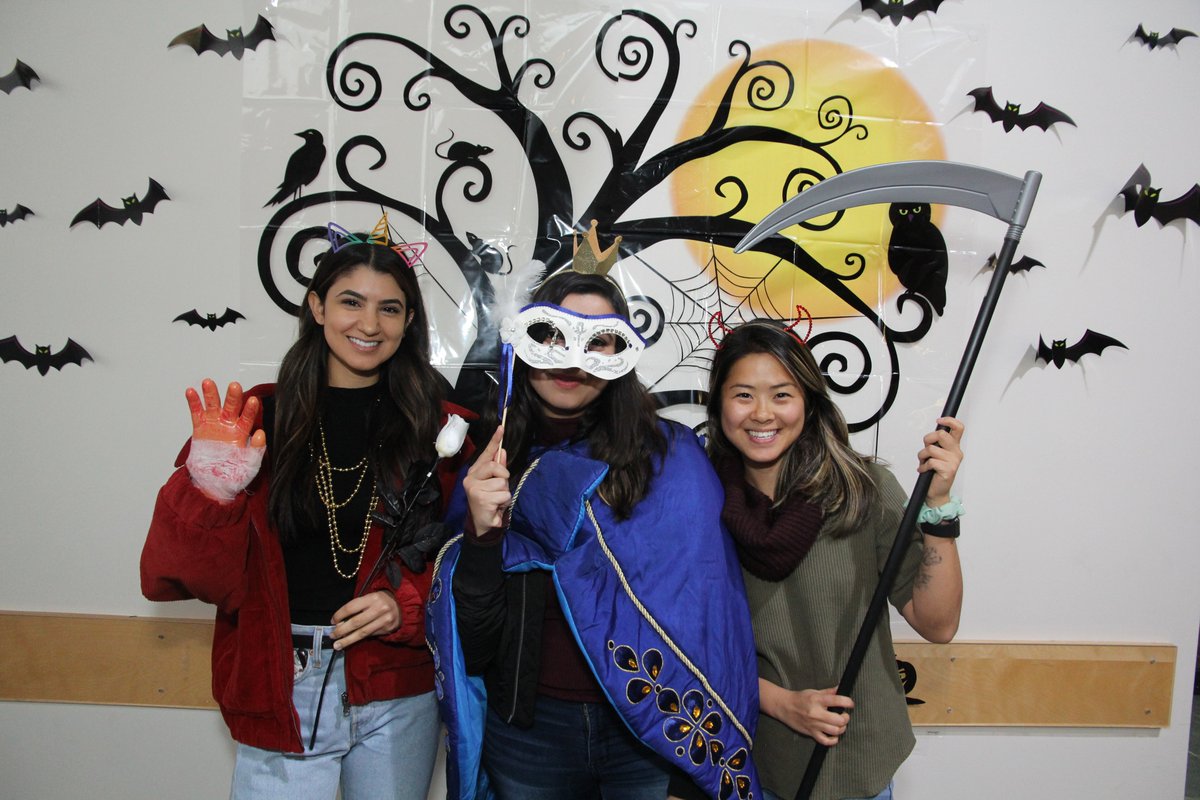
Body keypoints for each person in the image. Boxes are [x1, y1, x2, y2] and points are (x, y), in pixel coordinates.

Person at [141, 237, 471, 800]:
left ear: (409, 320)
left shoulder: (440, 431)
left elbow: (472, 556)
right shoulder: (253, 423)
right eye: (350, 302)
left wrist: (407, 603)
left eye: (389, 308)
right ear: (317, 308)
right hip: (283, 679)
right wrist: (211, 491)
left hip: (397, 687)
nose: (368, 323)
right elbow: (182, 579)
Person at [426, 264, 763, 800]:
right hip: (530, 736)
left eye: (598, 341)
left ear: (621, 356)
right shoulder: (491, 462)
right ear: (525, 342)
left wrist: (687, 775)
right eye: (553, 335)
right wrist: (483, 539)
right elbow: (472, 641)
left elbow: (708, 612)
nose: (573, 359)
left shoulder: (670, 457)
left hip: (651, 736)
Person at [706, 320, 965, 800]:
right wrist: (781, 703)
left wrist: (940, 509)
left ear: (809, 401)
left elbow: (937, 623)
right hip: (736, 761)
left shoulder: (863, 491)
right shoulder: (694, 500)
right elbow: (681, 644)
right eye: (743, 394)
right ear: (718, 402)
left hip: (854, 766)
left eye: (781, 395)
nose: (762, 414)